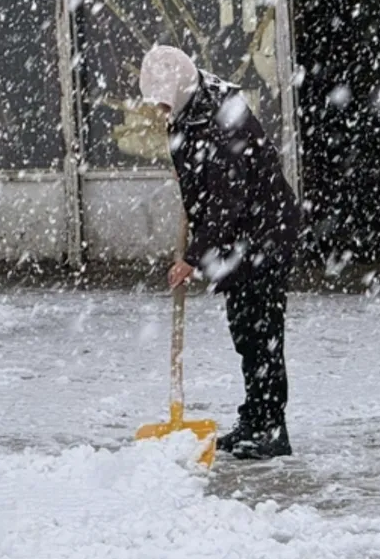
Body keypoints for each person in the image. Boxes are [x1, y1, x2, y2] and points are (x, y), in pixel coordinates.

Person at [139, 45, 300, 460]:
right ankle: (255, 419)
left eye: (163, 102)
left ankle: (270, 429)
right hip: (243, 238)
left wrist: (192, 257)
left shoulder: (220, 119)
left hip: (262, 235)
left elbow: (227, 199)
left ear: (178, 90)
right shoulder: (192, 108)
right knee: (246, 332)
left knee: (261, 335)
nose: (160, 110)